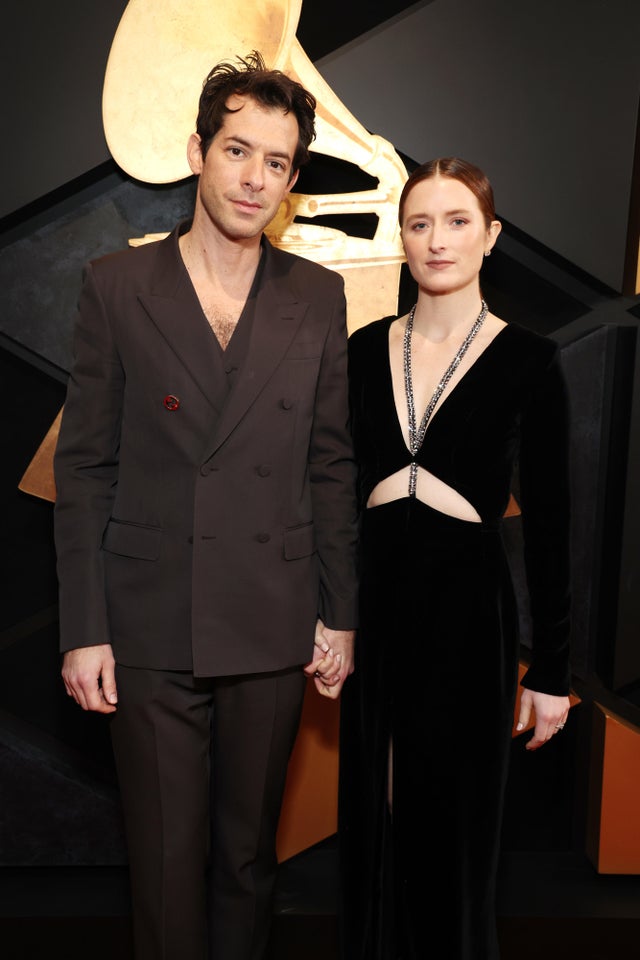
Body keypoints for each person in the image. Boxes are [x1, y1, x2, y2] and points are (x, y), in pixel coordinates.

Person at [53, 51, 357, 960]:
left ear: (292, 179)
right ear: (197, 151)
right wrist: (83, 625)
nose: (254, 177)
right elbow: (86, 468)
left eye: (276, 162)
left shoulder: (320, 294)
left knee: (245, 861)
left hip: (271, 613)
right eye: (237, 150)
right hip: (148, 622)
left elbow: (330, 466)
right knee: (164, 860)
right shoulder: (116, 285)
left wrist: (340, 615)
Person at [338, 157, 571, 960]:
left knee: (456, 825)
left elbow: (551, 525)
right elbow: (333, 501)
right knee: (378, 812)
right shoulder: (364, 350)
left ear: (491, 235)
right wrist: (330, 616)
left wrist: (552, 675)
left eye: (458, 221)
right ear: (401, 238)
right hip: (376, 606)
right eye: (419, 223)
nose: (438, 240)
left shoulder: (529, 359)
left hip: (471, 612)